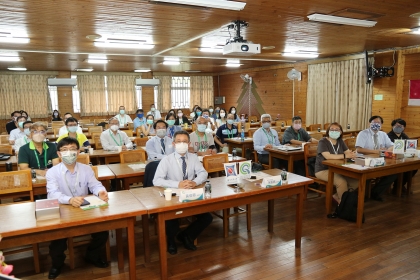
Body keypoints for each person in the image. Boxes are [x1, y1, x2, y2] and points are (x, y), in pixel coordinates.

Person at [46, 137, 109, 279]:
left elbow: (95, 184)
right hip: (63, 209)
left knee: (102, 231)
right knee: (57, 239)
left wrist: (101, 192)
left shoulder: (86, 169)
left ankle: (91, 255)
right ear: (59, 154)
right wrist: (69, 200)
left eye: (72, 149)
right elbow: (53, 194)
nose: (69, 152)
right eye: (64, 150)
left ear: (78, 152)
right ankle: (57, 264)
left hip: (85, 208)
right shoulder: (52, 172)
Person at [153, 130, 213, 255]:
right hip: (173, 195)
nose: (182, 144)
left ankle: (186, 235)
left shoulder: (193, 157)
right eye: (179, 142)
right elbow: (157, 180)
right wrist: (177, 184)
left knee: (207, 217)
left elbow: (203, 173)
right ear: (174, 144)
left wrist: (195, 182)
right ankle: (171, 242)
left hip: (191, 193)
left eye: (184, 142)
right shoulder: (167, 160)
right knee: (171, 219)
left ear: (189, 143)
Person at [355, 115, 396, 201]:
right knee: (368, 174)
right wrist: (377, 151)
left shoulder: (383, 134)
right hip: (365, 160)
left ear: (381, 124)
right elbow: (359, 149)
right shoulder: (363, 133)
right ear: (369, 123)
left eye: (378, 123)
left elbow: (392, 145)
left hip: (381, 159)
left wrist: (387, 151)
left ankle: (376, 192)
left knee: (393, 173)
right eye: (374, 122)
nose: (376, 124)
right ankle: (362, 195)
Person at [315, 123, 358, 204]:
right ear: (328, 131)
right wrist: (345, 155)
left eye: (337, 129)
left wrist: (352, 154)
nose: (334, 131)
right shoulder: (323, 141)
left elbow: (348, 152)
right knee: (341, 182)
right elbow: (327, 156)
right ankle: (343, 205)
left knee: (355, 181)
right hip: (323, 170)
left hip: (338, 168)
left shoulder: (340, 141)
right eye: (332, 129)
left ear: (341, 132)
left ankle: (337, 196)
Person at [387, 118, 417, 194]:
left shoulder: (404, 135)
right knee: (400, 169)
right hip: (392, 158)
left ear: (404, 127)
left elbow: (409, 147)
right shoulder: (388, 136)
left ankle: (400, 185)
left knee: (413, 168)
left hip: (403, 158)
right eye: (397, 125)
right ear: (393, 126)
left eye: (401, 126)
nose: (399, 127)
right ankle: (397, 187)